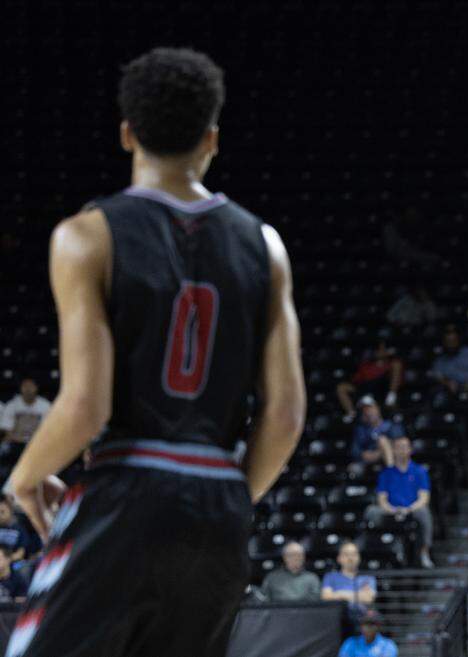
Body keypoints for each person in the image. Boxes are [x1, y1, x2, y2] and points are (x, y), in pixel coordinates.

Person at [1, 47, 306, 657]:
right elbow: (284, 417)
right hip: (217, 494)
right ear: (212, 139)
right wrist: (219, 500)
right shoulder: (265, 246)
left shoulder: (86, 236)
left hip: (126, 484)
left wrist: (24, 478)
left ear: (127, 132)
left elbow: (84, 407)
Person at [364, 437, 434, 568]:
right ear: (394, 450)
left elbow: (424, 498)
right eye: (398, 447)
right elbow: (382, 499)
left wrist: (408, 509)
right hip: (391, 510)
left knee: (424, 511)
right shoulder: (385, 474)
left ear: (410, 450)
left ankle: (424, 551)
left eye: (404, 447)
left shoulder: (420, 471)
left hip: (412, 510)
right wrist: (392, 509)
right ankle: (374, 552)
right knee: (371, 511)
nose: (401, 450)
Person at [337, 339, 404, 417]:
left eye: (382, 349)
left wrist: (391, 393)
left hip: (383, 389)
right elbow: (358, 380)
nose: (378, 352)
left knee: (396, 367)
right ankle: (352, 414)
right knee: (341, 387)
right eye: (377, 350)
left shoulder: (393, 363)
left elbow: (397, 379)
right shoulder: (367, 364)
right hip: (367, 389)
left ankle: (392, 398)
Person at [321, 542, 377, 616]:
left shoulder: (368, 578)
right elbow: (326, 597)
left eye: (354, 554)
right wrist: (358, 595)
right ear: (339, 558)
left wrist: (339, 594)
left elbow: (368, 598)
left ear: (359, 558)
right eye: (346, 554)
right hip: (338, 618)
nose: (350, 558)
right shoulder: (330, 577)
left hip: (361, 618)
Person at [0, 379, 52, 448]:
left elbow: (48, 430)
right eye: (25, 386)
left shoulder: (46, 405)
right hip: (15, 442)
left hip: (39, 442)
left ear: (36, 388)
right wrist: (20, 441)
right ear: (21, 388)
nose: (28, 389)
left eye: (30, 386)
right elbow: (7, 430)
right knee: (4, 446)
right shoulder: (12, 405)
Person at [351, 396, 400, 470]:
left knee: (383, 440)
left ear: (378, 409)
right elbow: (355, 450)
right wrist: (362, 454)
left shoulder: (391, 425)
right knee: (353, 469)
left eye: (371, 409)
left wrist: (378, 454)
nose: (368, 412)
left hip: (391, 458)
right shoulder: (361, 429)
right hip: (367, 461)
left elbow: (399, 443)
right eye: (365, 410)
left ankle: (391, 473)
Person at [0, 497, 39, 562]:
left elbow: (21, 552)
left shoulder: (20, 526)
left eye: (2, 512)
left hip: (22, 559)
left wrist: (8, 560)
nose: (0, 516)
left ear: (9, 508)